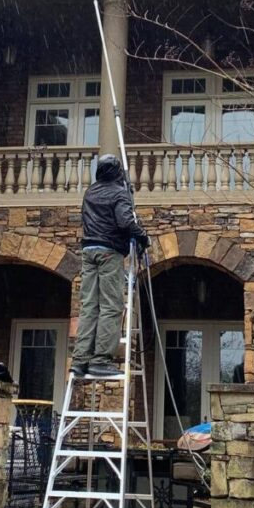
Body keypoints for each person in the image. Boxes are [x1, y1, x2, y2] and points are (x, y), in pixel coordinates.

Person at [70, 154, 149, 378]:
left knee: (89, 306)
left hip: (88, 251)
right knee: (111, 305)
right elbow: (125, 222)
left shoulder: (90, 192)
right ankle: (100, 360)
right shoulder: (118, 193)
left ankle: (80, 359)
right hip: (108, 252)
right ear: (117, 172)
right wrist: (142, 235)